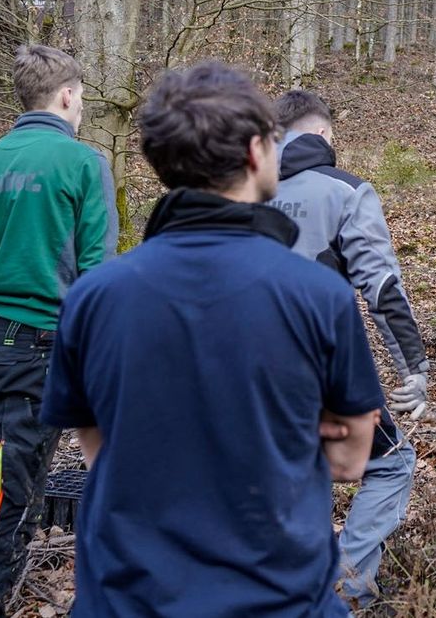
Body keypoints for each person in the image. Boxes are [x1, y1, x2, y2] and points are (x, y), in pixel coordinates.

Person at [42, 63, 383, 617]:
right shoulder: (320, 295)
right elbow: (349, 457)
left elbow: (100, 446)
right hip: (278, 600)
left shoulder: (93, 296)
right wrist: (285, 429)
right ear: (255, 152)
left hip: (125, 599)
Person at [0, 45, 118, 617]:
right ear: (67, 95)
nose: (82, 106)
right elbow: (96, 273)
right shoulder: (83, 162)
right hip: (37, 347)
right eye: (82, 97)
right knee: (8, 501)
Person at [270, 89, 428, 607]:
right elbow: (382, 289)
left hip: (242, 373)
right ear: (321, 135)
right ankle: (345, 585)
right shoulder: (347, 191)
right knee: (393, 461)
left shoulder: (239, 191)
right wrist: (414, 369)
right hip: (321, 370)